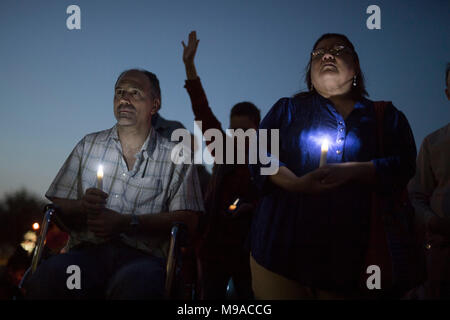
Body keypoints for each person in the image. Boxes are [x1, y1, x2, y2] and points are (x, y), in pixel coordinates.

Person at [249, 33, 417, 299]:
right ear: (310, 74)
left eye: (338, 49)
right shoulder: (288, 109)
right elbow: (258, 154)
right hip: (280, 256)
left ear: (356, 66)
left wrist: (354, 170)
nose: (327, 55)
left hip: (349, 264)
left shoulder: (385, 117)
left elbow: (405, 164)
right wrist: (294, 182)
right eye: (318, 53)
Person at [26, 69, 204, 299]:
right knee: (51, 278)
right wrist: (83, 206)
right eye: (119, 92)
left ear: (154, 105)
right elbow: (57, 207)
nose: (124, 98)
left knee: (134, 289)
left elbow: (188, 220)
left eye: (135, 92)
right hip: (86, 257)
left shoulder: (176, 157)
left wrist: (128, 222)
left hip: (143, 260)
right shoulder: (88, 145)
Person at [182, 31, 259, 299]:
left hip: (250, 252)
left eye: (245, 130)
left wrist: (252, 207)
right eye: (233, 129)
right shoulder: (224, 150)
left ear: (257, 130)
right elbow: (202, 111)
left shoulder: (267, 162)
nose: (238, 135)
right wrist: (189, 66)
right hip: (213, 249)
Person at [407, 63, 450, 299]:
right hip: (442, 248)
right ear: (448, 93)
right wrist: (432, 222)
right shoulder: (433, 143)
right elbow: (416, 194)